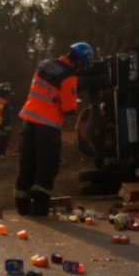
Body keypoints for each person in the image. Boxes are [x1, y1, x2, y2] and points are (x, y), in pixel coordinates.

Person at [14, 42, 94, 216]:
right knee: (47, 165)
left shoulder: (44, 65)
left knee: (27, 163)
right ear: (80, 62)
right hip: (48, 126)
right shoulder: (69, 76)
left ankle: (22, 205)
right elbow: (68, 108)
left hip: (29, 121)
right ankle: (39, 207)